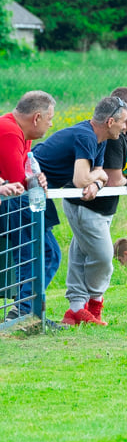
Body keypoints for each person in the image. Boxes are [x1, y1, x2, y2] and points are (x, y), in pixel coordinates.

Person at [33, 96, 127, 325]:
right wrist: (97, 178)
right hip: (27, 187)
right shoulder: (86, 136)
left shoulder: (101, 138)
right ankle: (28, 312)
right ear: (109, 121)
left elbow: (97, 173)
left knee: (55, 253)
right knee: (50, 254)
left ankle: (77, 310)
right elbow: (80, 179)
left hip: (43, 192)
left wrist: (96, 182)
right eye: (122, 122)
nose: (124, 127)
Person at [0, 91, 54, 320]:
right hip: (12, 204)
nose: (50, 125)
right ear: (36, 117)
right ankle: (24, 313)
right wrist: (30, 181)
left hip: (16, 202)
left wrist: (37, 178)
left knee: (41, 254)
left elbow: (24, 176)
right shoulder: (10, 132)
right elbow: (15, 179)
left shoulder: (20, 132)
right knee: (43, 253)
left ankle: (26, 312)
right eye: (49, 119)